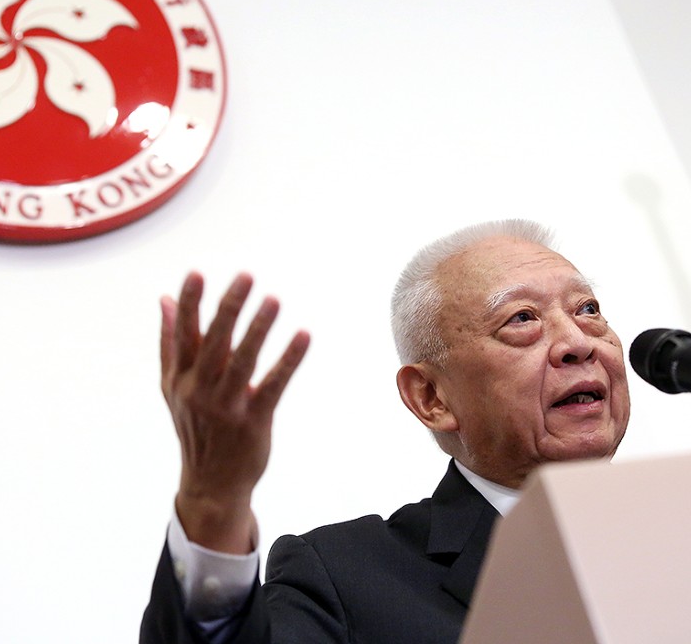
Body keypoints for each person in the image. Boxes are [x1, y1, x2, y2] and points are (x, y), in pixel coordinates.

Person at [140, 218, 631, 643]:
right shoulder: (348, 577)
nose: (575, 342)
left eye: (587, 309)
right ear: (431, 398)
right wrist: (214, 497)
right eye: (522, 319)